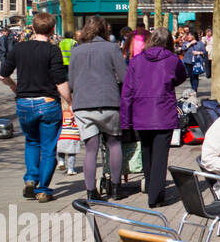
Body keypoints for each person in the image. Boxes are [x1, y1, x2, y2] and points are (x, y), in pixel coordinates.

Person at [0, 11, 72, 203]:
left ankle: (31, 178)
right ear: (53, 29)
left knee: (31, 142)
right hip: (47, 103)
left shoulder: (19, 48)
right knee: (48, 148)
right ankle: (43, 189)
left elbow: (3, 75)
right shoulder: (52, 50)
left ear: (32, 28)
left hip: (24, 103)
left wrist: (15, 87)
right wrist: (70, 102)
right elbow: (60, 81)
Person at [120, 27, 187, 208]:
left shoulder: (136, 61)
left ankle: (151, 187)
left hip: (141, 113)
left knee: (147, 153)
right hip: (163, 112)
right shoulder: (173, 60)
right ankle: (155, 196)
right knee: (160, 156)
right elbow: (182, 76)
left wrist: (125, 120)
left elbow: (127, 92)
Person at [68, 16, 127, 201]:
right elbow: (124, 76)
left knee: (91, 148)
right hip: (108, 101)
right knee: (114, 144)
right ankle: (117, 188)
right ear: (104, 30)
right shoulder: (111, 48)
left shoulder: (76, 51)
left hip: (83, 104)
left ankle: (90, 192)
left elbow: (70, 81)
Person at [181, 27, 209, 93]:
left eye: (191, 35)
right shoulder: (186, 43)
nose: (189, 36)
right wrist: (190, 43)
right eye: (188, 35)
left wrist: (198, 53)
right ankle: (193, 88)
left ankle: (194, 90)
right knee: (191, 77)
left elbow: (204, 52)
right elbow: (183, 48)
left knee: (195, 76)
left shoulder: (200, 43)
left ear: (194, 35)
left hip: (196, 62)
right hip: (188, 62)